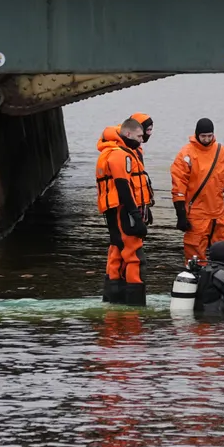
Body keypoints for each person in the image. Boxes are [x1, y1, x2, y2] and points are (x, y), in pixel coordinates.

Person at [95, 116, 155, 305]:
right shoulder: (122, 154)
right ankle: (135, 303)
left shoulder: (110, 151)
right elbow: (123, 188)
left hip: (114, 213)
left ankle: (113, 299)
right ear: (128, 134)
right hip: (124, 212)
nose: (141, 140)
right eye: (138, 136)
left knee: (117, 252)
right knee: (134, 256)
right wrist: (136, 217)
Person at [171, 117, 224, 264]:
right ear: (197, 134)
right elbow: (179, 187)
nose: (206, 139)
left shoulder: (221, 152)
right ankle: (196, 281)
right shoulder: (186, 154)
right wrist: (181, 216)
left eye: (209, 136)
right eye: (203, 136)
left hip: (218, 211)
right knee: (195, 254)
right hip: (197, 213)